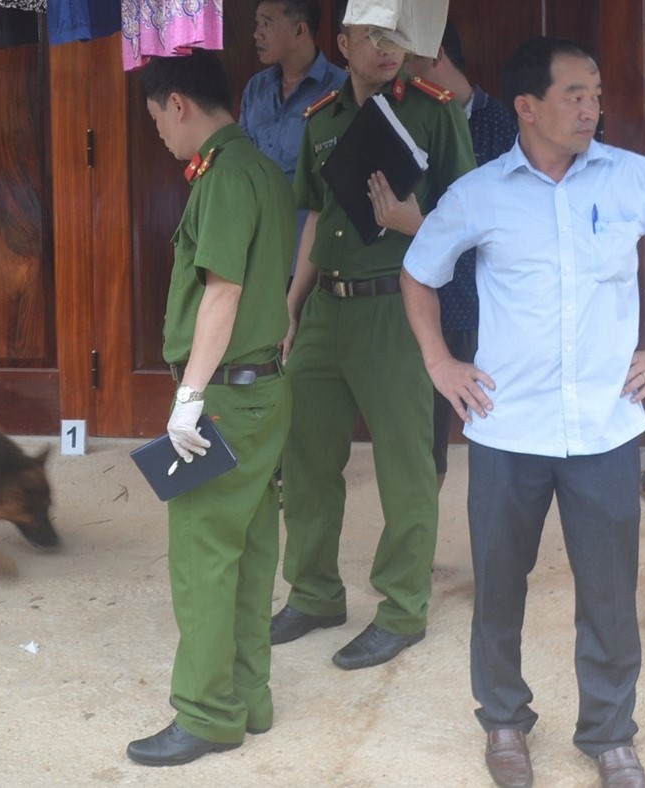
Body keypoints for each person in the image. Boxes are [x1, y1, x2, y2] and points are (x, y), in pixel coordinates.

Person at [400, 37, 645, 788]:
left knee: (607, 594)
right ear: (526, 108)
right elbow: (418, 274)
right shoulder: (480, 194)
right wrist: (440, 363)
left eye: (596, 93)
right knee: (498, 588)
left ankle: (608, 734)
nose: (591, 107)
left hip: (604, 429)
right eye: (574, 94)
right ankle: (504, 723)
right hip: (507, 428)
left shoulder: (636, 179)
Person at [268, 19, 475, 670]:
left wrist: (408, 221)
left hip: (396, 306)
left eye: (393, 36)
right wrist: (289, 306)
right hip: (326, 307)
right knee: (303, 456)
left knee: (404, 466)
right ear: (343, 45)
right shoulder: (322, 118)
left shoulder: (435, 114)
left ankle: (402, 608)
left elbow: (470, 221)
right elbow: (315, 219)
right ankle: (314, 591)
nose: (385, 49)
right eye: (370, 36)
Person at [125, 50, 296, 767]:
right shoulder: (260, 168)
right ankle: (247, 697)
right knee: (251, 551)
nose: (160, 136)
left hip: (223, 395)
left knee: (201, 559)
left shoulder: (224, 178)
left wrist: (187, 399)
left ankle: (205, 714)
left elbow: (221, 292)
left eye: (156, 121)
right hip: (262, 391)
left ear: (178, 105)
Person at [403, 21, 518, 489]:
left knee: (497, 426)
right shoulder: (412, 119)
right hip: (429, 300)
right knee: (425, 439)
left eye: (406, 61)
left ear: (433, 58)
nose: (397, 74)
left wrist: (416, 224)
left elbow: (503, 227)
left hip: (490, 306)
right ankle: (422, 547)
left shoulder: (504, 124)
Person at [238, 0, 344, 277]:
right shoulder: (256, 89)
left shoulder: (341, 89)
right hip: (258, 254)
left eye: (267, 23)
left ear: (300, 31)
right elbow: (242, 165)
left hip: (313, 261)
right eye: (257, 23)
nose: (257, 33)